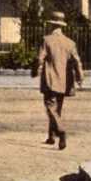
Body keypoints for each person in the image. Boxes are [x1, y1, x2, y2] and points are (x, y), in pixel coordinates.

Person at [36, 10, 83, 150]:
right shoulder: (70, 43)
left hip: (50, 80)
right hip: (65, 81)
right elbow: (77, 61)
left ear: (51, 25)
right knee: (57, 109)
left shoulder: (47, 40)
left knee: (50, 107)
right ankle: (51, 137)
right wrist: (80, 76)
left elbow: (40, 58)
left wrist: (35, 69)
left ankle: (61, 131)